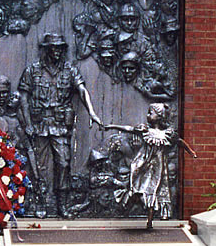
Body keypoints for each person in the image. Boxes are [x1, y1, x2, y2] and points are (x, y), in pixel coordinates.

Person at [18, 33, 102, 218]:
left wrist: (92, 112)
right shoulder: (33, 70)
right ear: (46, 49)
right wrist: (28, 124)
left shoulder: (69, 70)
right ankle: (40, 201)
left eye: (60, 48)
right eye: (53, 48)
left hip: (60, 125)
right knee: (39, 166)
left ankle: (62, 204)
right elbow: (23, 97)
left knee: (63, 163)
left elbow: (82, 90)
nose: (57, 51)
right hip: (39, 124)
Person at [105, 103, 196, 229]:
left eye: (150, 113)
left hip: (157, 168)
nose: (148, 115)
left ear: (159, 117)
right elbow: (129, 128)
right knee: (137, 187)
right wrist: (112, 126)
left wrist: (191, 151)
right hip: (143, 165)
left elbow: (179, 142)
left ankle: (149, 219)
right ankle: (129, 200)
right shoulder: (145, 130)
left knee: (152, 190)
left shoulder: (167, 134)